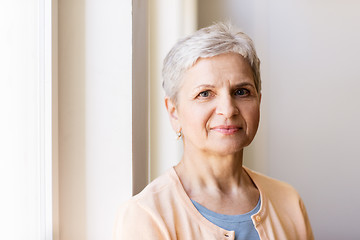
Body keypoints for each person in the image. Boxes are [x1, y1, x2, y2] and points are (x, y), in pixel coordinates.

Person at [113, 22, 314, 240]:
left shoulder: (288, 201)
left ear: (259, 101)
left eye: (241, 91)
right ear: (174, 112)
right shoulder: (146, 215)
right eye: (205, 94)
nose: (228, 110)